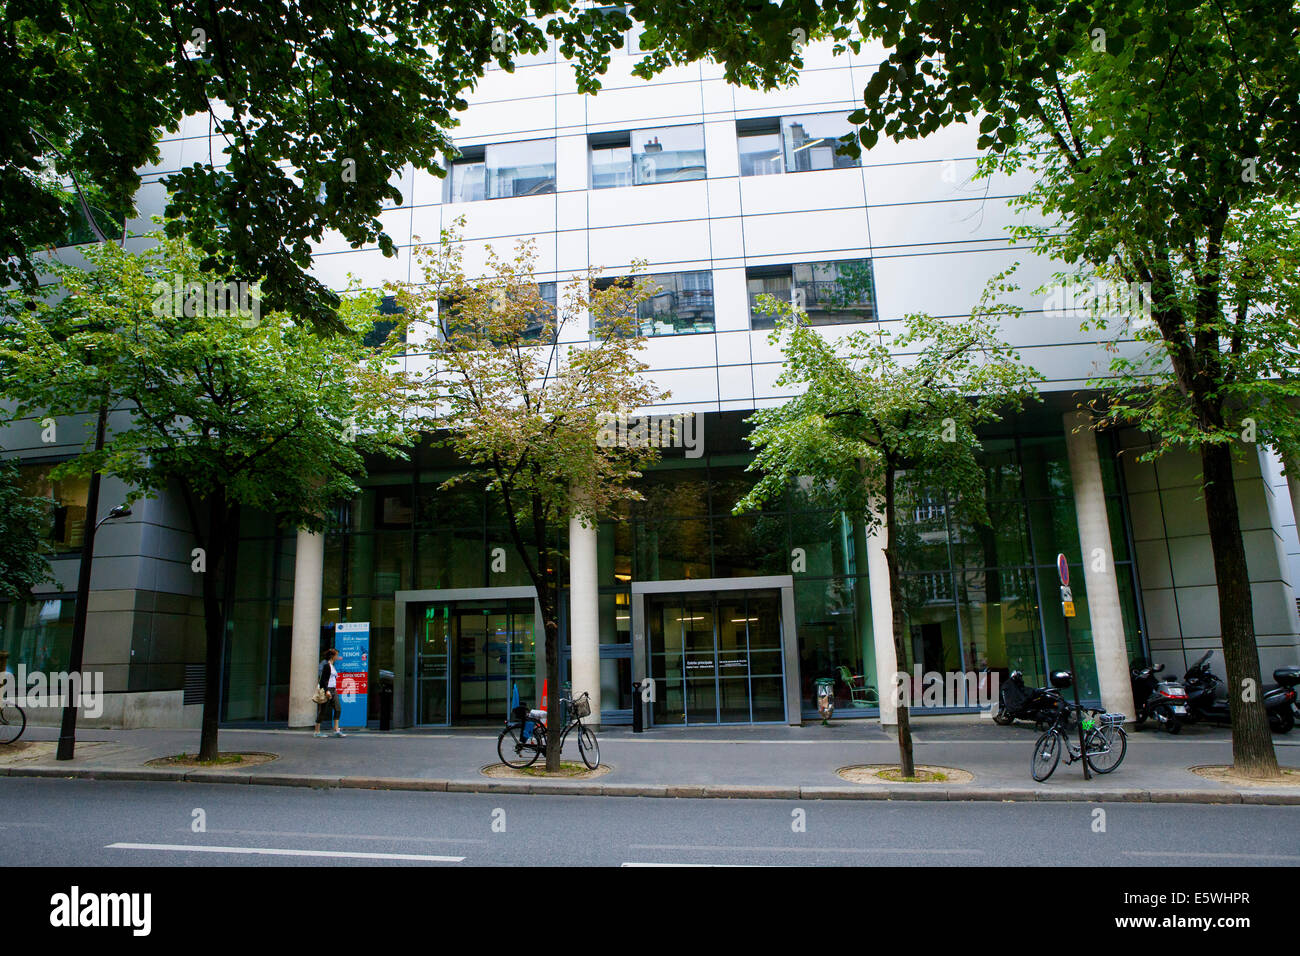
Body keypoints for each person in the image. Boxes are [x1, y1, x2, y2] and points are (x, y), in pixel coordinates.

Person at [314, 648, 345, 738]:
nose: (337, 657)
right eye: (336, 655)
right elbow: (323, 680)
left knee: (338, 708)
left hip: (333, 690)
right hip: (327, 690)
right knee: (323, 711)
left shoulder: (332, 665)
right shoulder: (327, 666)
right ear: (332, 656)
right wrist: (327, 690)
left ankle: (336, 730)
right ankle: (317, 731)